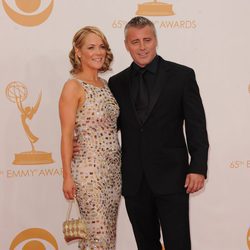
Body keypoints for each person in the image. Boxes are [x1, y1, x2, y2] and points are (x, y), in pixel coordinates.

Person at [108, 16, 209, 250]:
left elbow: (196, 125)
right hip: (134, 180)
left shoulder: (182, 76)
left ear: (156, 41)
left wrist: (198, 167)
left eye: (147, 40)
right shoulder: (117, 82)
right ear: (126, 45)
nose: (142, 47)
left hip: (173, 177)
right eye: (135, 42)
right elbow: (109, 126)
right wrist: (80, 142)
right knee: (146, 244)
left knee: (178, 243)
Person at [59, 26, 121, 249]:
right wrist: (67, 176)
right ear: (78, 52)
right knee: (98, 237)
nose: (98, 52)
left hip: (113, 172)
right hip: (88, 173)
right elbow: (66, 135)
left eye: (101, 46)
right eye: (91, 47)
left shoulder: (105, 86)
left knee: (107, 238)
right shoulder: (73, 87)